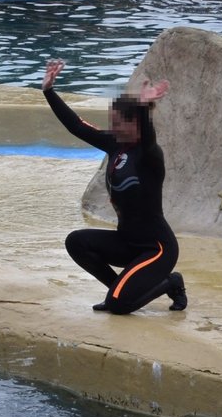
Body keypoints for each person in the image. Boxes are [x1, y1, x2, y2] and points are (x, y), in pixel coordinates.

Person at [42, 60, 186, 314]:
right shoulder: (115, 145)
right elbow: (76, 126)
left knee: (118, 307)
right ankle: (119, 292)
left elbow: (148, 137)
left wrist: (142, 107)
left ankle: (169, 283)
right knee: (76, 242)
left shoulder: (150, 155)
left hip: (157, 249)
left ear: (136, 125)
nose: (114, 128)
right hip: (127, 241)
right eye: (113, 122)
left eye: (119, 123)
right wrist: (49, 92)